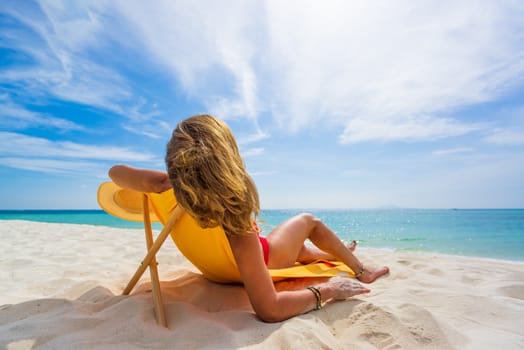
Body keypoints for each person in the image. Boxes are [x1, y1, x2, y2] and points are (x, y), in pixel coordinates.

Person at [109, 114, 389, 322]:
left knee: (300, 250)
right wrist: (328, 290)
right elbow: (269, 309)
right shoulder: (234, 218)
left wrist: (168, 180)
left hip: (217, 269)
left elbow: (114, 172)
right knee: (308, 221)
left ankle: (334, 253)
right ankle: (360, 269)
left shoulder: (167, 189)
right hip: (263, 257)